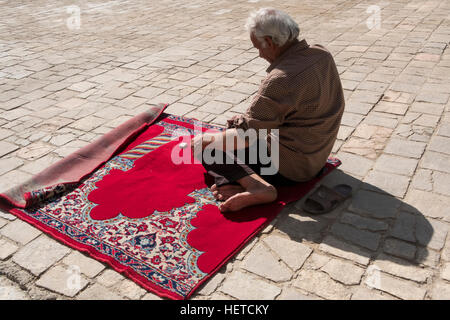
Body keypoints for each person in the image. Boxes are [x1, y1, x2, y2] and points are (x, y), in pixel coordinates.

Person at [191, 7, 345, 213]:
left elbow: (246, 136)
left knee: (203, 146)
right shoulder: (321, 53)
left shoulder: (280, 79)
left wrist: (206, 140)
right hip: (316, 158)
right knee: (231, 133)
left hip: (289, 171)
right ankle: (233, 183)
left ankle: (257, 186)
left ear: (270, 42)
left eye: (258, 48)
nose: (260, 54)